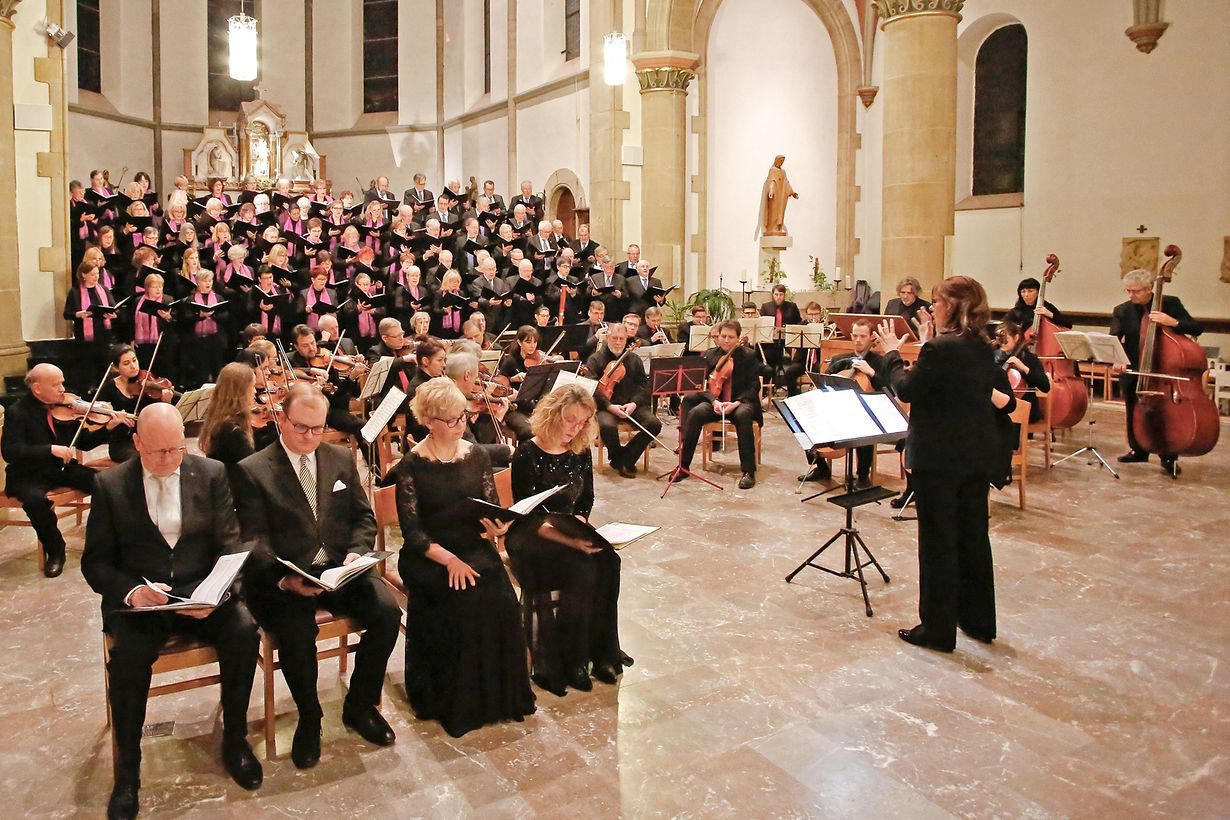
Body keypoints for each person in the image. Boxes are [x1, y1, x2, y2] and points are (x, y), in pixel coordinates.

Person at [82, 404, 262, 819]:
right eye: (157, 451)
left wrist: (216, 593)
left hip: (201, 592)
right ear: (137, 444)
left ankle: (234, 740)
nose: (167, 460)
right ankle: (129, 771)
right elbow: (96, 562)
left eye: (175, 449)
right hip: (144, 602)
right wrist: (131, 592)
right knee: (127, 661)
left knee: (243, 632)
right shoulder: (111, 485)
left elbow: (231, 544)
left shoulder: (211, 472)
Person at [233, 384, 400, 767]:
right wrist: (283, 577)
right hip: (285, 577)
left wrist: (357, 554)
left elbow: (362, 516)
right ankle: (311, 716)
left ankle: (360, 705)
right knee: (296, 633)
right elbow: (251, 539)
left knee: (387, 613)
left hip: (340, 569)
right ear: (281, 420)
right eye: (301, 428)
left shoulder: (339, 457)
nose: (310, 437)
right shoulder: (253, 470)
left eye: (318, 428)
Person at [875, 275, 1015, 653]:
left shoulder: (939, 348)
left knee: (937, 542)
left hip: (939, 456)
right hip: (975, 454)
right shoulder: (982, 345)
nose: (931, 307)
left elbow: (906, 388)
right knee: (972, 537)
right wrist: (927, 341)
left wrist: (891, 353)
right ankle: (978, 620)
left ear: (951, 306)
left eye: (936, 301)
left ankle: (937, 630)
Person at [389, 377, 536, 736]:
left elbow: (491, 509)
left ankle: (501, 697)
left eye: (462, 417)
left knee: (502, 597)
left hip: (472, 544)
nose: (461, 425)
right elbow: (413, 533)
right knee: (463, 599)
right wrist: (450, 561)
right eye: (452, 420)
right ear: (429, 421)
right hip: (429, 555)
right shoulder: (411, 465)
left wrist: (496, 529)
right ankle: (458, 701)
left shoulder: (477, 455)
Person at [506, 385, 629, 696]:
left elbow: (585, 499)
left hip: (570, 529)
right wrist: (572, 541)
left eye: (583, 422)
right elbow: (528, 516)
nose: (576, 428)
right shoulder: (526, 453)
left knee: (609, 561)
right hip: (533, 536)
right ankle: (571, 659)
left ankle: (600, 651)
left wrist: (581, 527)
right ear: (553, 415)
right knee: (582, 569)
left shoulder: (580, 451)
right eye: (570, 420)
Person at [2, 364, 129, 577]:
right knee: (35, 502)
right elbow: (11, 452)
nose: (63, 388)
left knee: (106, 485)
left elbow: (85, 443)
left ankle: (110, 542)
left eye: (62, 382)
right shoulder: (18, 412)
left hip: (59, 469)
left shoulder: (66, 408)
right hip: (28, 474)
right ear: (37, 388)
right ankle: (56, 551)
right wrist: (50, 449)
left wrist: (108, 428)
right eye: (56, 384)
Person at [1110, 268, 1203, 476]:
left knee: (1165, 413)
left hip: (1163, 369)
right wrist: (1117, 360)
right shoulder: (1122, 310)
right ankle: (1138, 449)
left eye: (1135, 291)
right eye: (1128, 291)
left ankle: (1168, 454)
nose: (1131, 295)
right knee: (1133, 409)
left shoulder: (1170, 304)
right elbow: (1114, 339)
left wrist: (1173, 323)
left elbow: (1196, 327)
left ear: (1150, 288)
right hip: (1135, 368)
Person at [674, 320, 762, 489]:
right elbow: (702, 384)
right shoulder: (710, 354)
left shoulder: (748, 355)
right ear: (718, 337)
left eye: (731, 337)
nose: (726, 340)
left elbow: (754, 386)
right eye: (723, 336)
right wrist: (713, 401)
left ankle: (748, 472)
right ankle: (683, 467)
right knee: (696, 413)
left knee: (743, 416)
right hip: (716, 402)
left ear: (738, 338)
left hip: (739, 401)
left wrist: (736, 403)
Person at [799, 318, 888, 485]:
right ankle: (821, 468)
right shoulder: (841, 359)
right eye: (855, 335)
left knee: (866, 430)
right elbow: (826, 378)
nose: (858, 340)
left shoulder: (879, 362)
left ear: (871, 337)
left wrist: (871, 372)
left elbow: (886, 388)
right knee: (804, 425)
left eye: (863, 336)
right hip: (838, 409)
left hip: (867, 411)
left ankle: (862, 476)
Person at [585, 323, 661, 478]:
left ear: (627, 339)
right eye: (614, 338)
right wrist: (610, 406)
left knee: (654, 424)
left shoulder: (634, 359)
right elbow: (592, 388)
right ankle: (620, 458)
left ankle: (625, 458)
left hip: (631, 405)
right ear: (607, 338)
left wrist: (634, 403)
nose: (618, 342)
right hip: (606, 406)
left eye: (622, 338)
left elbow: (644, 386)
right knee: (606, 425)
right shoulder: (595, 359)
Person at [198, 362, 274, 486]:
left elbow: (252, 443)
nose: (255, 392)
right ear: (241, 392)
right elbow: (253, 469)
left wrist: (273, 429)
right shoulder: (232, 432)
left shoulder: (220, 420)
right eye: (252, 386)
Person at [994, 319, 1051, 423]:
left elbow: (1045, 386)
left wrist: (1023, 367)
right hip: (1001, 408)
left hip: (1026, 409)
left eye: (1005, 339)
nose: (1002, 343)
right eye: (1000, 340)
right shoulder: (995, 356)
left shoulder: (1030, 359)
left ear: (1016, 337)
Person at [760, 283, 805, 396]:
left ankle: (792, 387)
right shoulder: (766, 307)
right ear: (772, 295)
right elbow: (762, 324)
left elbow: (798, 322)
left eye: (781, 294)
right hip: (772, 341)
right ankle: (770, 387)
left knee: (797, 358)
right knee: (769, 356)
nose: (778, 297)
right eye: (776, 294)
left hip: (790, 340)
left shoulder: (792, 306)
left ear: (784, 295)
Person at [1004, 276, 1072, 331]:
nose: (1026, 295)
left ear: (1038, 293)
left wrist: (1050, 314)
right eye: (1023, 291)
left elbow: (1068, 325)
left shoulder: (1046, 306)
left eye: (1030, 291)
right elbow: (1004, 326)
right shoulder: (1016, 311)